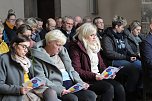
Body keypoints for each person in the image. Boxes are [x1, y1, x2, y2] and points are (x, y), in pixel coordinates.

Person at [30, 29, 97, 101]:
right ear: (49, 42)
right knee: (72, 98)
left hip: (72, 85)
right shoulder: (38, 56)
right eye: (58, 45)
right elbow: (41, 78)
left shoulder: (63, 52)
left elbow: (72, 70)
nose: (60, 48)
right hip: (57, 87)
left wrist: (81, 83)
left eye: (61, 45)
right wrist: (60, 90)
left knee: (90, 95)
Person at [68, 23, 125, 101]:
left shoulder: (95, 46)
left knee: (119, 88)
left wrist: (108, 73)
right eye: (91, 35)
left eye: (95, 35)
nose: (95, 37)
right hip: (87, 80)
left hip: (99, 76)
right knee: (108, 88)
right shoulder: (75, 47)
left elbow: (101, 64)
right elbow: (77, 70)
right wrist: (94, 76)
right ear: (84, 35)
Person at [0, 34, 59, 101]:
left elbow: (33, 78)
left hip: (30, 88)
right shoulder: (3, 59)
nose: (26, 50)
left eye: (27, 48)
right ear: (14, 45)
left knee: (50, 92)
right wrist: (19, 90)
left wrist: (38, 83)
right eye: (24, 47)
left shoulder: (27, 60)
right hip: (16, 92)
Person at [102, 15, 140, 101]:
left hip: (125, 58)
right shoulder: (107, 37)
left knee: (142, 65)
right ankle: (129, 92)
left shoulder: (122, 35)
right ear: (116, 26)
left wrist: (134, 55)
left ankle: (138, 89)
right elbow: (109, 53)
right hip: (113, 61)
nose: (124, 29)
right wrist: (126, 57)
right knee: (134, 69)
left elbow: (127, 47)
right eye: (122, 27)